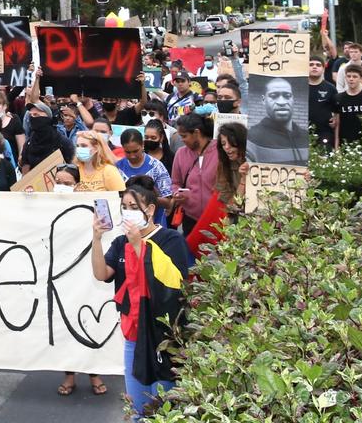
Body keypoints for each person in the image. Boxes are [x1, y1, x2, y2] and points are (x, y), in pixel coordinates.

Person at [91, 184, 190, 420]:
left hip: (162, 336)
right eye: (124, 207)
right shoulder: (119, 243)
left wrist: (139, 245)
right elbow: (101, 273)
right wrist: (96, 239)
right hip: (133, 334)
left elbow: (174, 284)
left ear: (151, 209)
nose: (128, 212)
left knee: (164, 406)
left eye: (134, 207)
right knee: (137, 408)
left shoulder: (171, 239)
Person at [187, 122, 248, 260]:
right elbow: (231, 205)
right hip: (235, 220)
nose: (227, 148)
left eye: (231, 143)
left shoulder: (258, 163)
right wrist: (243, 181)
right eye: (223, 144)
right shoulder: (224, 165)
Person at [169, 114, 218, 235]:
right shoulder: (180, 154)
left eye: (184, 136)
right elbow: (175, 182)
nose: (182, 140)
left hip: (216, 217)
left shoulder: (220, 151)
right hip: (190, 218)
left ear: (196, 133)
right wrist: (177, 193)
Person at [115, 129, 174, 227]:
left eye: (135, 151)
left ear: (142, 145)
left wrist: (144, 198)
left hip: (154, 225)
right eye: (128, 152)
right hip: (127, 225)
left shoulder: (157, 167)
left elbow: (168, 203)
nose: (132, 156)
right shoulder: (118, 168)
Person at [245, 77, 309, 166]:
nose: (281, 102)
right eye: (274, 96)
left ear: (292, 99)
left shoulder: (306, 137)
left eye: (287, 96)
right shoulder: (252, 138)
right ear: (264, 100)